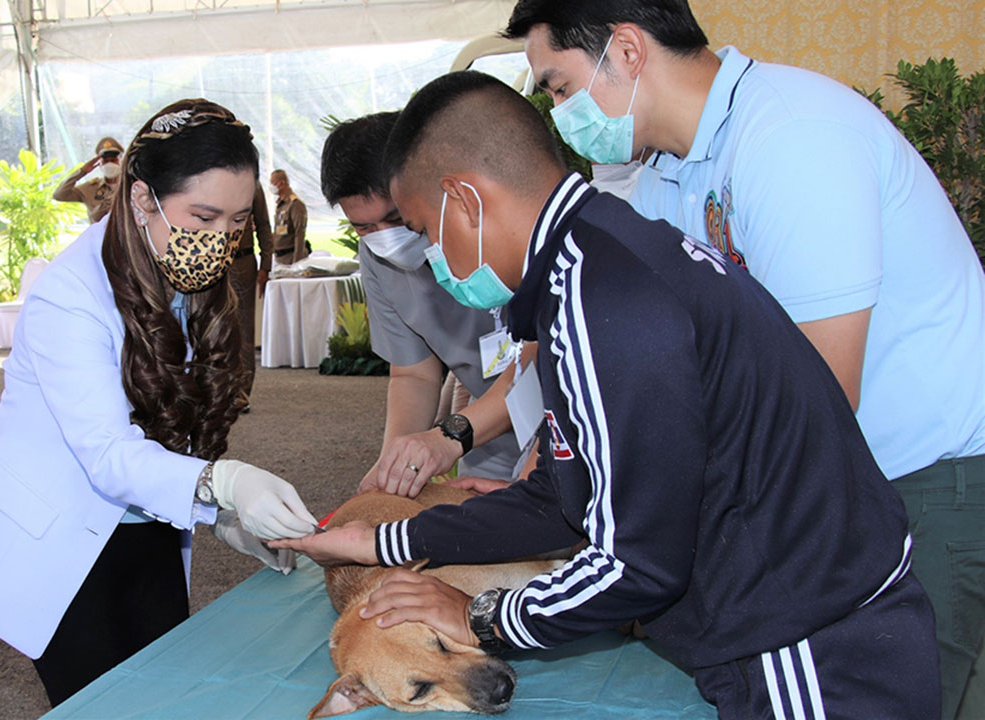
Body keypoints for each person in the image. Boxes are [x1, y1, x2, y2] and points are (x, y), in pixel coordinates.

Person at [274, 71, 942, 719]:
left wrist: (479, 617)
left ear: (465, 201)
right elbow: (568, 501)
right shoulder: (605, 255)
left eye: (424, 231)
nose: (429, 257)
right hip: (792, 608)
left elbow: (637, 564)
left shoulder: (600, 305)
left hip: (804, 640)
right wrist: (389, 541)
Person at [504, 3, 985, 717]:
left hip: (918, 479)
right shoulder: (663, 174)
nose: (559, 113)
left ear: (627, 51)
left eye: (560, 87)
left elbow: (824, 386)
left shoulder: (792, 136)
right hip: (823, 483)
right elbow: (658, 359)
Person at [0, 99, 318, 707]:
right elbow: (108, 453)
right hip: (59, 540)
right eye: (203, 216)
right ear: (141, 199)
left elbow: (169, 422)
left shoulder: (182, 272)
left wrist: (219, 513)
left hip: (147, 521)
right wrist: (226, 483)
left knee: (166, 693)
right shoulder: (69, 294)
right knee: (101, 703)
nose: (219, 240)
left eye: (237, 221)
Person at [320, 112, 527, 494]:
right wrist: (393, 464)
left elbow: (539, 365)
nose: (385, 237)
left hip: (562, 414)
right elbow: (413, 374)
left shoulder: (504, 226)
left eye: (396, 218)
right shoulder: (378, 259)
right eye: (364, 227)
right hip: (486, 427)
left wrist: (448, 437)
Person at [229, 180, 271, 410]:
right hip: (211, 261)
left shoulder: (251, 183)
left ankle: (242, 392)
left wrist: (266, 265)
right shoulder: (207, 174)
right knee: (212, 326)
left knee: (244, 327)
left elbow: (263, 224)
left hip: (243, 262)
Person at [53, 136, 125, 224]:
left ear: (121, 161)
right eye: (105, 161)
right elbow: (59, 195)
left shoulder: (130, 186)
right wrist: (81, 172)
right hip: (99, 232)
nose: (109, 164)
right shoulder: (89, 188)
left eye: (113, 160)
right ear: (99, 164)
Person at [268, 169, 309, 265]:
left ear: (282, 183)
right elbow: (280, 232)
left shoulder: (295, 204)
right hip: (280, 258)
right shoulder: (281, 204)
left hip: (291, 258)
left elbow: (299, 233)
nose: (271, 186)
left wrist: (297, 263)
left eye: (273, 183)